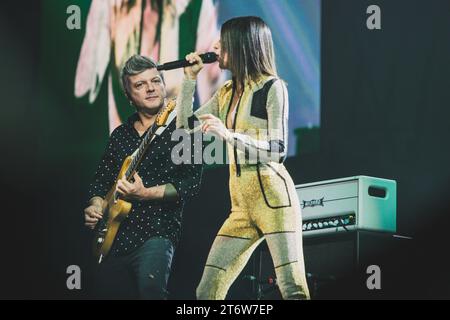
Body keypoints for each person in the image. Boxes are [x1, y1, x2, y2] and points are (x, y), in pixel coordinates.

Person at [176, 16, 310, 300]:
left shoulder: (272, 88)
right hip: (241, 209)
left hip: (276, 202)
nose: (214, 46)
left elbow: (278, 149)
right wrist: (189, 81)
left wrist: (229, 135)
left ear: (241, 46)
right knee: (207, 290)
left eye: (222, 42)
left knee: (293, 288)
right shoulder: (226, 92)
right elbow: (184, 129)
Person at [84, 54, 202, 299]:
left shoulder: (185, 123)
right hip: (113, 239)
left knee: (151, 291)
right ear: (129, 97)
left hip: (157, 233)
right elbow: (100, 180)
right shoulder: (120, 135)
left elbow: (192, 183)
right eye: (140, 85)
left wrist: (145, 193)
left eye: (155, 81)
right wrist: (96, 204)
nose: (150, 88)